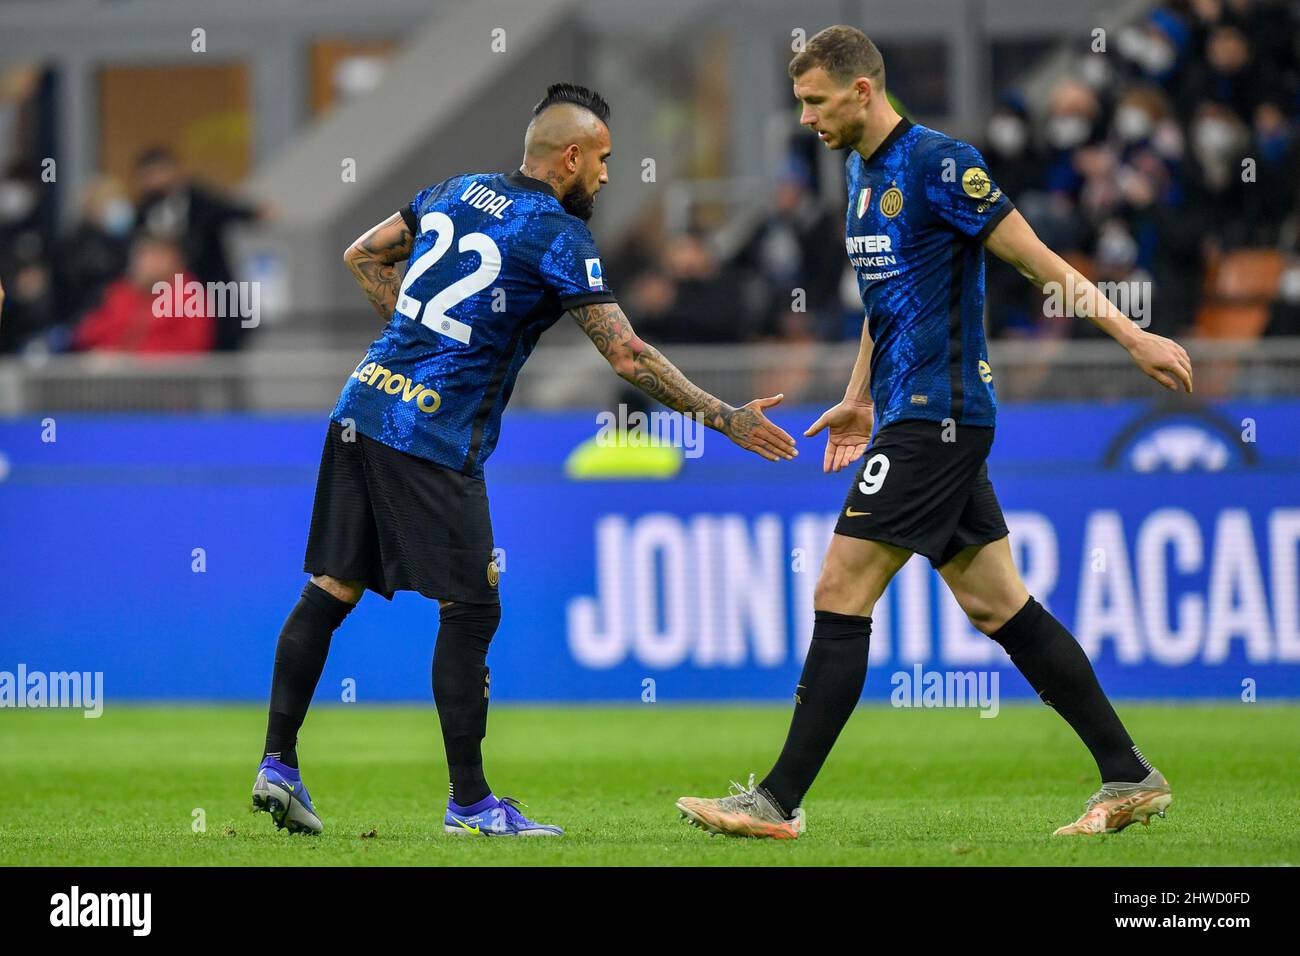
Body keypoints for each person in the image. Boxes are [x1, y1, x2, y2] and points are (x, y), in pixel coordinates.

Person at [676, 26, 1192, 840]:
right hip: (910, 410)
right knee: (998, 605)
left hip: (940, 417)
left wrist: (1135, 337)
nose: (805, 118)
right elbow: (890, 303)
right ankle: (1128, 774)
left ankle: (775, 802)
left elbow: (1036, 260)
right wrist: (856, 397)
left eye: (814, 101)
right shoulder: (857, 171)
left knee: (839, 588)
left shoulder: (941, 164)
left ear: (862, 91)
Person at [251, 83, 796, 837]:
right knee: (473, 606)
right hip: (431, 436)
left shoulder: (454, 189)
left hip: (359, 407)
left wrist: (421, 337)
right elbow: (628, 355)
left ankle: (277, 761)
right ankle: (471, 804)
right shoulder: (558, 235)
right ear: (569, 158)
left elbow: (362, 255)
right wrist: (724, 417)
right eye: (603, 160)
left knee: (333, 586)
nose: (607, 175)